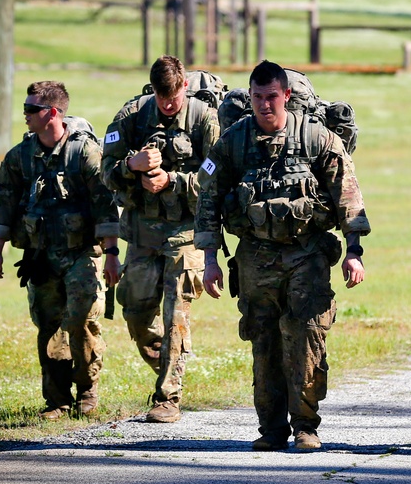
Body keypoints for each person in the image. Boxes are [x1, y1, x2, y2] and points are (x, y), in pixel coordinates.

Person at [195, 60, 370, 451]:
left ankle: (306, 425)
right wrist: (209, 260)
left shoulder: (317, 138)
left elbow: (348, 196)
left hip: (306, 253)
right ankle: (271, 429)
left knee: (307, 337)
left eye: (271, 97)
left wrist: (354, 252)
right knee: (264, 342)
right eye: (257, 97)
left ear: (286, 96)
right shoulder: (232, 143)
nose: (264, 105)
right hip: (255, 257)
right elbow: (207, 202)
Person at [0, 81, 120, 420]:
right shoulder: (21, 156)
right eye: (26, 108)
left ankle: (87, 392)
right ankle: (57, 400)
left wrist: (111, 254)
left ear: (52, 113)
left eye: (31, 109)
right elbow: (3, 201)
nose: (25, 115)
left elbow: (105, 205)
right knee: (48, 325)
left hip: (81, 254)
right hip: (40, 256)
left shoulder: (84, 153)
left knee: (83, 322)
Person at [101, 55, 220, 423]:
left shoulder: (204, 119)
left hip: (186, 232)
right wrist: (130, 168)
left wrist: (174, 181)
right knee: (136, 312)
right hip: (141, 232)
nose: (168, 103)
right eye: (160, 95)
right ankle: (170, 364)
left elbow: (218, 176)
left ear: (185, 85)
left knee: (175, 316)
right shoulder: (131, 116)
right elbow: (104, 172)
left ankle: (168, 397)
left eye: (174, 94)